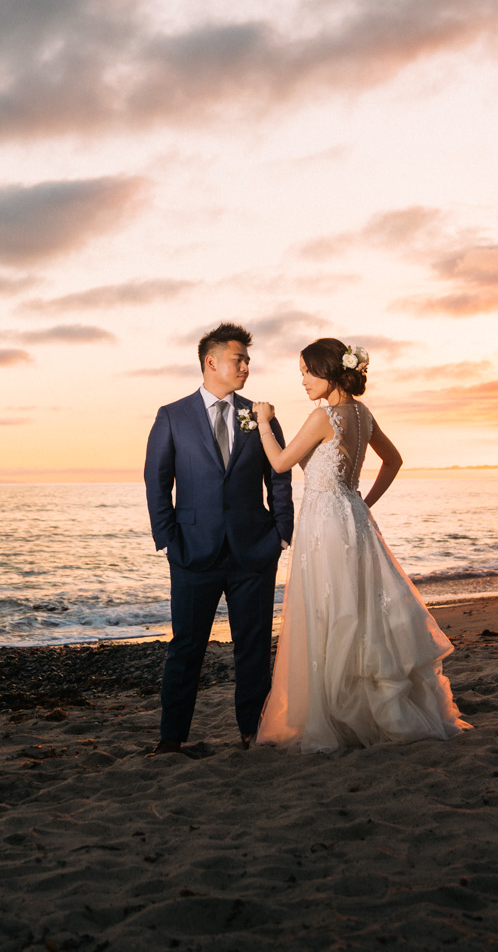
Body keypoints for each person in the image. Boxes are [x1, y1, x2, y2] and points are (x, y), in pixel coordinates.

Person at [249, 338, 469, 750]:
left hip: (325, 525)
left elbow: (279, 462)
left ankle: (336, 716)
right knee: (361, 609)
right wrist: (362, 501)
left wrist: (263, 420)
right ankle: (368, 709)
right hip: (352, 518)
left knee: (332, 611)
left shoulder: (323, 417)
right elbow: (394, 460)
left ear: (330, 371)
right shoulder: (363, 414)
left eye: (308, 372)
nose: (302, 381)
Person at [142, 322, 293, 753]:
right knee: (187, 646)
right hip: (193, 552)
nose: (246, 366)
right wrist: (168, 539)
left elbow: (278, 476)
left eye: (247, 359)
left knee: (254, 644)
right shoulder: (172, 416)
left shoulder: (261, 415)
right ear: (211, 362)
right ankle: (172, 738)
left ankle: (253, 730)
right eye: (238, 359)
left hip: (254, 550)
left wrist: (282, 532)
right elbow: (157, 480)